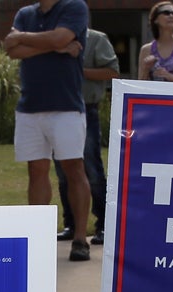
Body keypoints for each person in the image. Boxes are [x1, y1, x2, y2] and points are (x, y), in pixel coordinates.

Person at [5, 0, 93, 262]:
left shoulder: (75, 7)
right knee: (36, 170)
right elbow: (11, 50)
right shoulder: (25, 13)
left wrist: (24, 38)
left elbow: (59, 37)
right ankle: (38, 237)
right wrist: (56, 47)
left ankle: (79, 239)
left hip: (65, 106)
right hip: (29, 106)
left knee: (74, 169)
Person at [55, 27, 119, 245]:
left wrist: (77, 69)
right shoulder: (51, 40)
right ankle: (71, 225)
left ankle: (103, 225)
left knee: (91, 169)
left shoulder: (96, 39)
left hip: (85, 109)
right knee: (64, 173)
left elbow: (112, 71)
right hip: (57, 110)